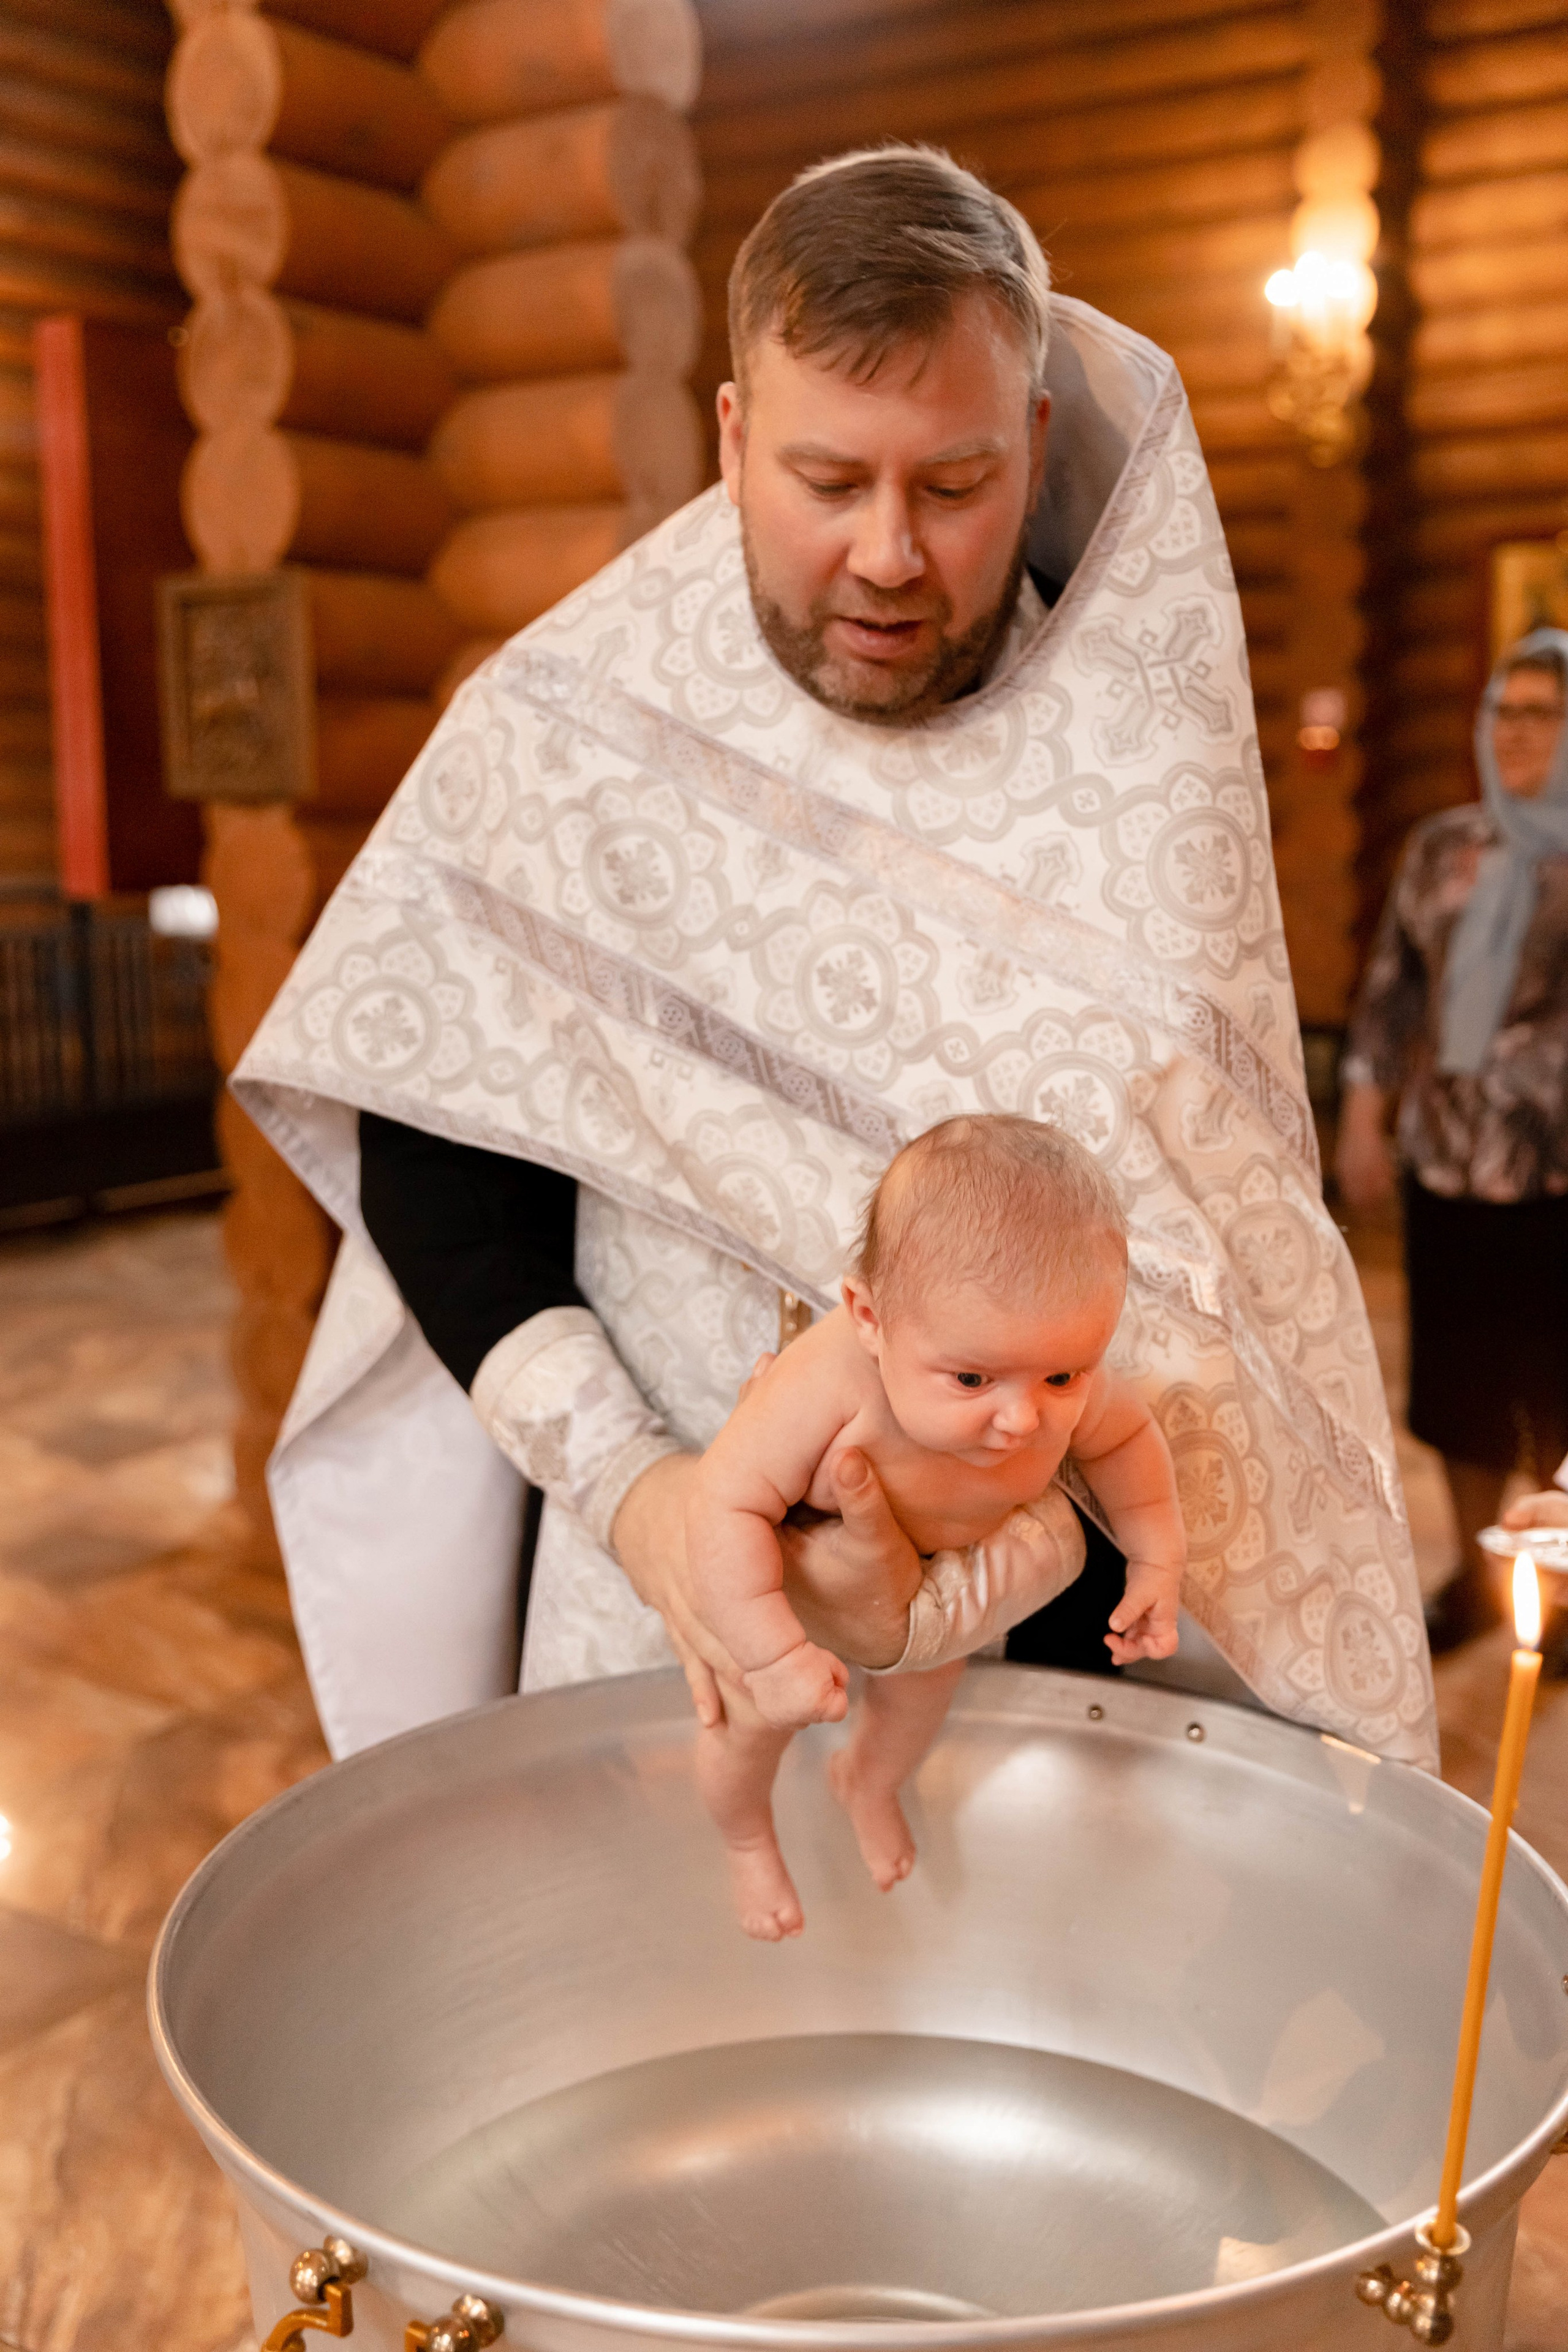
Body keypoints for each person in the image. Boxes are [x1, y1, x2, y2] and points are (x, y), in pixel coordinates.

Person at [234, 146, 1437, 1774]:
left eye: (951, 488)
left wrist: (955, 1564)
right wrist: (650, 1505)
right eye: (826, 481)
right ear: (733, 441)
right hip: (640, 1585)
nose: (887, 554)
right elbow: (443, 1170)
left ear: (1034, 442)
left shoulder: (1141, 786)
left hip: (1025, 1652)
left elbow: (1196, 1293)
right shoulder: (568, 729)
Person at [688, 1115, 1184, 1937]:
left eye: (1061, 1375)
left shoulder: (1049, 1367)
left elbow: (1128, 1440)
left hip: (926, 1595)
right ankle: (744, 1837)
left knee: (921, 1700)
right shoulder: (827, 1385)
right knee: (747, 1728)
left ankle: (869, 1782)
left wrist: (1157, 1563)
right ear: (870, 1317)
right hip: (791, 1590)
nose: (1023, 1418)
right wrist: (772, 1652)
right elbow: (721, 1504)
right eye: (972, 1378)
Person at [1338, 630, 1568, 1653]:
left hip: (1560, 1175)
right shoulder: (1443, 846)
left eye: (1543, 713)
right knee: (1461, 1386)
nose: (1517, 732)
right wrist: (1361, 1116)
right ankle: (1479, 1577)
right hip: (1447, 1162)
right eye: (1503, 711)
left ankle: (1559, 1578)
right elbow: (1392, 991)